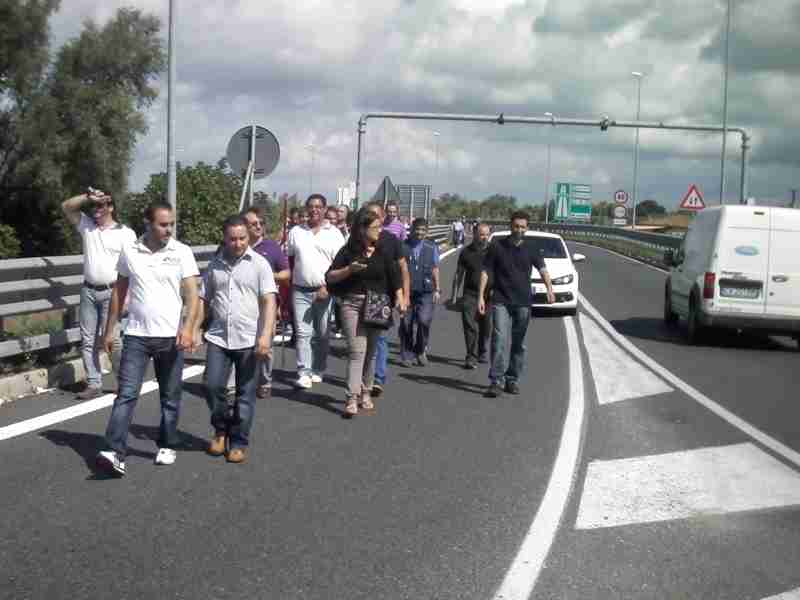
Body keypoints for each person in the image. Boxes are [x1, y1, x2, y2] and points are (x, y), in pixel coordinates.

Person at [96, 201, 200, 476]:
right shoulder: (130, 251)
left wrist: (189, 328)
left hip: (170, 337)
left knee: (169, 395)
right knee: (127, 394)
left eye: (171, 224)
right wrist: (110, 328)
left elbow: (192, 294)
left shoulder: (182, 252)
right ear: (148, 223)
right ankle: (114, 450)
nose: (169, 229)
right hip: (136, 336)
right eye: (163, 224)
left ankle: (166, 443)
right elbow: (119, 291)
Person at [198, 215, 277, 464]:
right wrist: (192, 328)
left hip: (249, 339)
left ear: (249, 236)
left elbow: (269, 301)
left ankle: (239, 441)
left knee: (245, 394)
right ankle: (220, 429)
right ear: (224, 238)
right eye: (232, 238)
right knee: (211, 386)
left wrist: (265, 335)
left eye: (242, 238)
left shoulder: (260, 264)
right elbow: (204, 299)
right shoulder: (215, 264)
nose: (238, 243)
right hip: (219, 337)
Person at [326, 209, 403, 416]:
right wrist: (349, 270)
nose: (380, 231)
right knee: (356, 352)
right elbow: (330, 276)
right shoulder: (348, 251)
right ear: (362, 229)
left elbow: (394, 276)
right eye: (376, 227)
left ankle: (366, 392)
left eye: (380, 226)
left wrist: (401, 297)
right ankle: (351, 397)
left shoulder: (383, 251)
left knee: (371, 353)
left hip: (377, 305)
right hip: (352, 304)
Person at [61, 187, 136, 399]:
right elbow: (66, 207)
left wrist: (127, 296)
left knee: (113, 340)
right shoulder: (87, 227)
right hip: (88, 291)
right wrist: (87, 197)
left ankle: (124, 383)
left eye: (101, 204)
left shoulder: (125, 233)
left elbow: (132, 267)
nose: (96, 209)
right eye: (94, 205)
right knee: (87, 340)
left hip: (113, 292)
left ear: (111, 207)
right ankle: (94, 383)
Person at [478, 211, 555, 398]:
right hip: (501, 300)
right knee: (499, 340)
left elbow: (543, 269)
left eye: (523, 227)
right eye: (516, 226)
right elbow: (486, 272)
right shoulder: (497, 247)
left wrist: (550, 289)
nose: (519, 230)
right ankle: (496, 380)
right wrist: (481, 296)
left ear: (527, 228)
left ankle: (511, 379)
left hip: (523, 302)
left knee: (518, 344)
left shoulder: (532, 248)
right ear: (510, 226)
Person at [286, 194, 345, 389]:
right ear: (306, 208)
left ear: (324, 209)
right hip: (300, 290)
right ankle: (304, 372)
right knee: (303, 333)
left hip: (324, 291)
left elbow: (339, 264)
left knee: (322, 334)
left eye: (318, 207)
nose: (314, 210)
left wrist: (328, 287)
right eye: (311, 206)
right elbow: (291, 260)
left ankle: (319, 367)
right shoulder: (296, 232)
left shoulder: (334, 233)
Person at [243, 207, 290, 398]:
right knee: (242, 345)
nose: (259, 227)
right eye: (254, 224)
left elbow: (287, 274)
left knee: (265, 346)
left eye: (261, 223)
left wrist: (270, 276)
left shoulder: (271, 247)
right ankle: (240, 382)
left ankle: (264, 380)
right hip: (241, 304)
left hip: (266, 304)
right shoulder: (236, 245)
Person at [366, 201, 410, 396]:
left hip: (382, 296)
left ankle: (378, 378)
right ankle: (364, 375)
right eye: (369, 216)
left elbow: (403, 268)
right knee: (362, 341)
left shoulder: (392, 240)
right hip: (360, 295)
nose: (373, 219)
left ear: (383, 218)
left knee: (380, 338)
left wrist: (404, 295)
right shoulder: (358, 239)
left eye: (376, 216)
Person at [399, 218, 441, 367]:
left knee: (424, 320)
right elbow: (397, 270)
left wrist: (437, 289)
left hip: (426, 291)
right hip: (407, 291)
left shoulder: (432, 247)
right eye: (417, 229)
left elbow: (435, 268)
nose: (420, 232)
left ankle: (421, 349)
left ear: (427, 231)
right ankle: (407, 354)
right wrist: (399, 294)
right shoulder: (403, 246)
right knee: (406, 323)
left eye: (423, 230)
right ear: (411, 229)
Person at [450, 222, 492, 369]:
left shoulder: (494, 251)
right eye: (481, 234)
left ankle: (482, 350)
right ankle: (471, 356)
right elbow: (459, 275)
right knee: (470, 325)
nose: (484, 237)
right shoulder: (466, 252)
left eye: (487, 234)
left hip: (490, 295)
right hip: (470, 294)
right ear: (474, 234)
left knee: (487, 325)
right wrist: (454, 296)